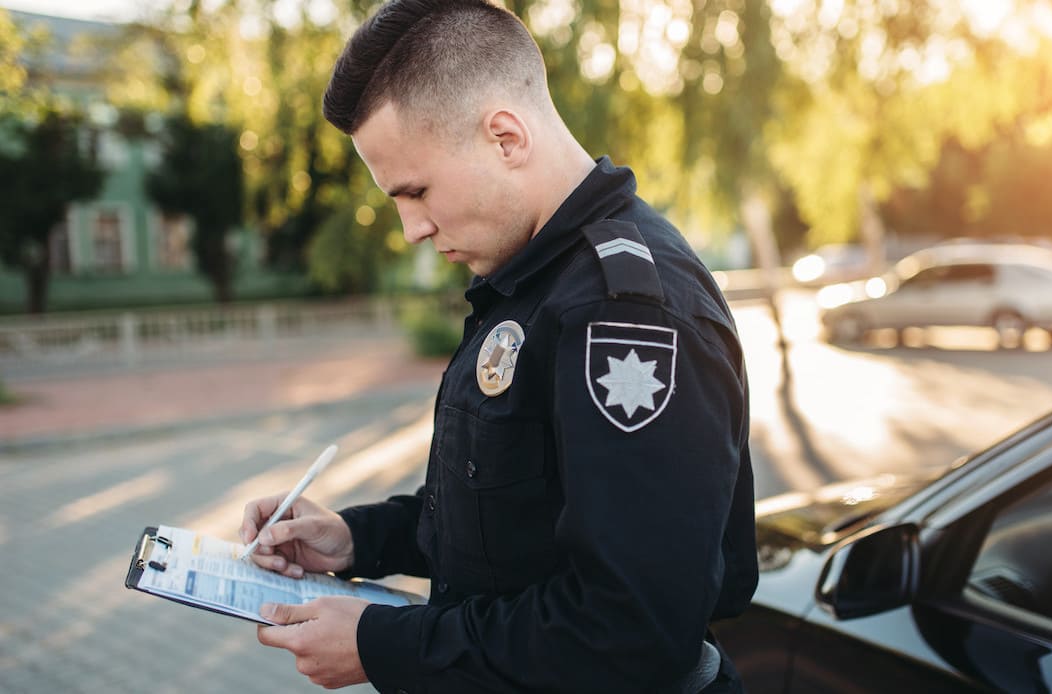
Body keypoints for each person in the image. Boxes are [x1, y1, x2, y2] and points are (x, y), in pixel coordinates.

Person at [240, 1, 758, 691]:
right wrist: (356, 539)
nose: (411, 230)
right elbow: (510, 515)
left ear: (505, 137)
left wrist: (385, 645)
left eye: (415, 191)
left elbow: (631, 628)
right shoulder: (527, 278)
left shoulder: (623, 312)